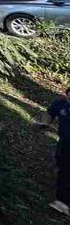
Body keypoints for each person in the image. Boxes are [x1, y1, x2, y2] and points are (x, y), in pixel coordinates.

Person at [39, 87, 70, 216]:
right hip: (65, 143)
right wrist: (44, 123)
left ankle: (64, 201)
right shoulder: (60, 103)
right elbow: (49, 114)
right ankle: (62, 202)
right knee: (63, 169)